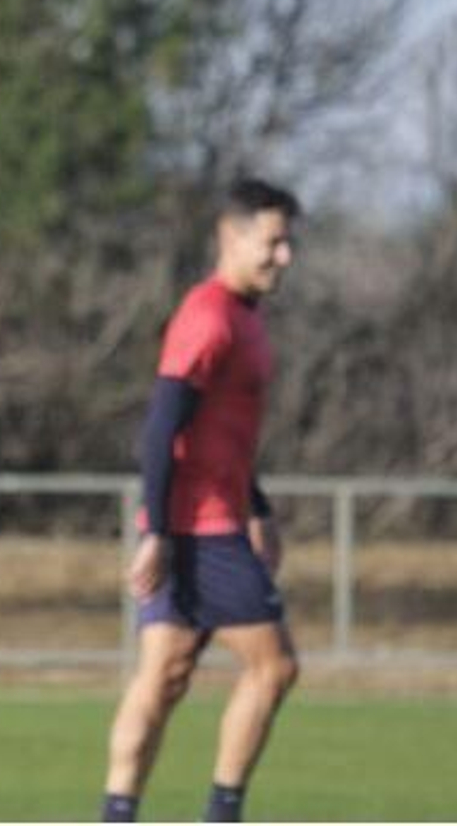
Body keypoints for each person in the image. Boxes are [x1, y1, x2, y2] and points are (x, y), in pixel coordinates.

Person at [101, 179, 302, 823]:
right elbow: (162, 427)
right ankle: (222, 814)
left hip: (212, 518)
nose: (284, 256)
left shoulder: (246, 318)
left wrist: (258, 506)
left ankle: (117, 814)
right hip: (197, 529)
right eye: (273, 242)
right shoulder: (210, 317)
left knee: (164, 677)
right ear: (231, 236)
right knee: (275, 668)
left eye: (288, 242)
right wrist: (159, 531)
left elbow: (224, 438)